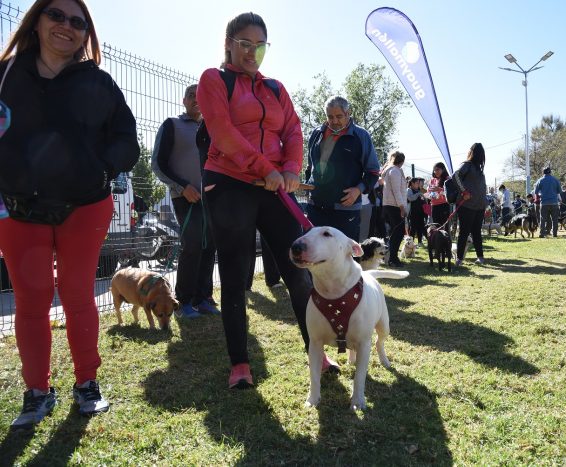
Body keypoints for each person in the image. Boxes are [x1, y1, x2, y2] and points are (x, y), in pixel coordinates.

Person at [0, 0, 139, 429]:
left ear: (86, 35)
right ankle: (36, 392)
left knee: (78, 294)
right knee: (31, 300)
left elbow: (127, 141)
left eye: (78, 22)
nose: (67, 26)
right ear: (36, 21)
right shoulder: (6, 74)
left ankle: (87, 384)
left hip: (85, 205)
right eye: (56, 15)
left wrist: (101, 169)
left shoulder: (98, 82)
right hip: (18, 208)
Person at [197, 12, 339, 389]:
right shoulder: (214, 80)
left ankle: (316, 351)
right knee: (234, 274)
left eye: (260, 46)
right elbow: (222, 132)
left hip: (274, 186)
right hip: (229, 183)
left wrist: (290, 168)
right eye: (245, 43)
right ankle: (240, 364)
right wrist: (264, 168)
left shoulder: (275, 88)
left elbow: (292, 130)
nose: (252, 52)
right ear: (228, 44)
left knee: (299, 270)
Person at [151, 84, 219, 319]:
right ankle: (184, 302)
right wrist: (182, 187)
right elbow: (158, 165)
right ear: (184, 100)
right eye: (191, 95)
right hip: (185, 197)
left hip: (211, 199)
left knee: (209, 246)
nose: (196, 99)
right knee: (192, 246)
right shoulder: (172, 125)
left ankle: (203, 298)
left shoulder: (213, 129)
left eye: (201, 95)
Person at [304, 96, 380, 242]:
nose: (334, 121)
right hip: (316, 208)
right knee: (315, 254)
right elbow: (310, 166)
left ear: (348, 113)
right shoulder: (316, 133)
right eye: (330, 117)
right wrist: (308, 188)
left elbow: (373, 172)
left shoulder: (361, 135)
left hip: (345, 211)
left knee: (345, 254)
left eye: (339, 116)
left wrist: (358, 190)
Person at [452, 143, 488, 265]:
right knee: (464, 232)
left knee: (476, 232)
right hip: (466, 205)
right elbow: (455, 176)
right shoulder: (467, 165)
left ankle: (480, 257)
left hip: (479, 206)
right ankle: (459, 258)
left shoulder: (479, 168)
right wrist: (464, 191)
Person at [381, 151, 407, 266]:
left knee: (394, 233)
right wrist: (402, 207)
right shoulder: (395, 171)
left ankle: (390, 257)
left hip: (389, 205)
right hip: (394, 206)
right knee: (398, 233)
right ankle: (393, 259)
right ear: (402, 161)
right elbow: (396, 191)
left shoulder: (389, 170)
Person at [533, 166, 562, 238]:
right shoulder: (555, 180)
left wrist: (541, 194)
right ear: (550, 172)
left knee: (543, 219)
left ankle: (542, 234)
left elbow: (536, 192)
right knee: (554, 219)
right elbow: (559, 191)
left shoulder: (540, 180)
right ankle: (555, 233)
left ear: (543, 172)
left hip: (544, 202)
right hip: (554, 202)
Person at [427, 162, 450, 227]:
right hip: (434, 206)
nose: (435, 172)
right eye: (434, 170)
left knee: (444, 226)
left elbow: (449, 193)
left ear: (443, 169)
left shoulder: (448, 179)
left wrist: (439, 189)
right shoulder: (432, 180)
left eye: (437, 169)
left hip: (444, 205)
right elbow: (429, 193)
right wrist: (429, 193)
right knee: (436, 226)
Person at [406, 177, 427, 246]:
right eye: (417, 183)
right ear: (412, 183)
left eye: (419, 183)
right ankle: (410, 243)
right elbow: (410, 198)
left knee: (420, 227)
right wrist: (418, 194)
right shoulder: (409, 190)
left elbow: (423, 200)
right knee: (413, 228)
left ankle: (420, 242)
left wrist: (424, 198)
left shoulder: (418, 191)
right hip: (413, 212)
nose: (418, 184)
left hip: (420, 212)